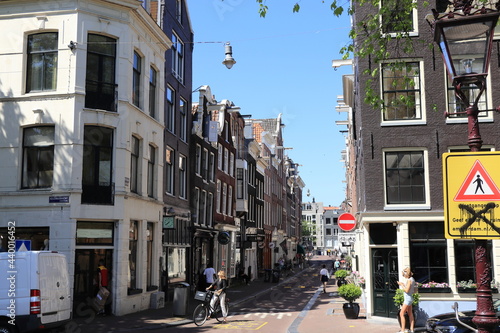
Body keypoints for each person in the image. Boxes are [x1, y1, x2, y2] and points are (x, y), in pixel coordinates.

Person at [397, 267, 415, 333]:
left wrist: (401, 285)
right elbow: (412, 289)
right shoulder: (412, 279)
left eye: (404, 275)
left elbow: (407, 290)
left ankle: (402, 330)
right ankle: (412, 329)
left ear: (406, 274)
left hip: (407, 299)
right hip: (410, 298)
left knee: (401, 313)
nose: (403, 276)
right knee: (410, 314)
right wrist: (405, 285)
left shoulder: (409, 280)